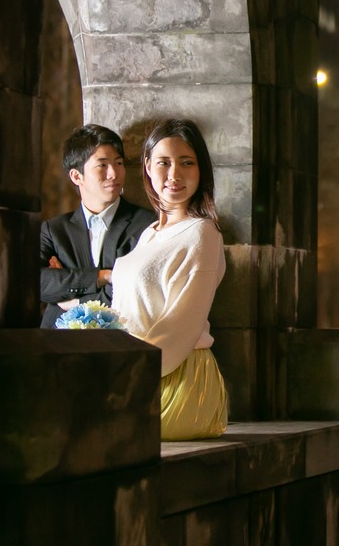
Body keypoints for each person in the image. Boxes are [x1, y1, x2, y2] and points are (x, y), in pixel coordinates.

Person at [111, 118, 228, 440]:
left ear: (201, 170)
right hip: (138, 369)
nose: (174, 175)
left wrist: (124, 376)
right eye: (164, 162)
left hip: (174, 376)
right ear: (147, 166)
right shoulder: (150, 233)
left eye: (187, 163)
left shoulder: (202, 232)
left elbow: (181, 324)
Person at [39, 124, 154, 328]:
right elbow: (37, 284)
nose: (114, 173)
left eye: (119, 163)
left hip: (122, 341)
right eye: (102, 165)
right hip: (56, 342)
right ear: (77, 176)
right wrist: (103, 276)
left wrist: (74, 302)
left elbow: (137, 288)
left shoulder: (145, 224)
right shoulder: (54, 230)